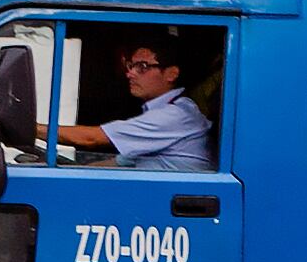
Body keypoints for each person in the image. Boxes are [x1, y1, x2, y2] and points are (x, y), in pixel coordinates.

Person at [58, 34, 215, 169]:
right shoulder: (163, 115)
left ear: (171, 74)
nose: (130, 74)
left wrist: (35, 129)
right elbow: (118, 163)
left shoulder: (176, 115)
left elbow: (91, 138)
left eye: (142, 66)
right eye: (131, 66)